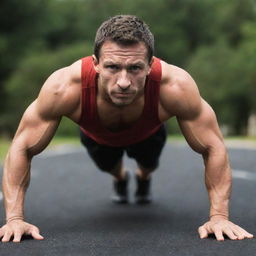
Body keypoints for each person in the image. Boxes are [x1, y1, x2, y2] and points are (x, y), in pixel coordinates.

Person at [0, 15, 253, 243]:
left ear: (150, 64)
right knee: (109, 166)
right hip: (97, 136)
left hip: (149, 133)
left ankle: (143, 177)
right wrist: (14, 219)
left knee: (149, 164)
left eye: (135, 68)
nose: (123, 82)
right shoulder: (63, 87)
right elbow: (22, 146)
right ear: (96, 63)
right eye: (112, 67)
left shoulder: (176, 86)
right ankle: (121, 177)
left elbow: (213, 146)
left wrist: (219, 216)